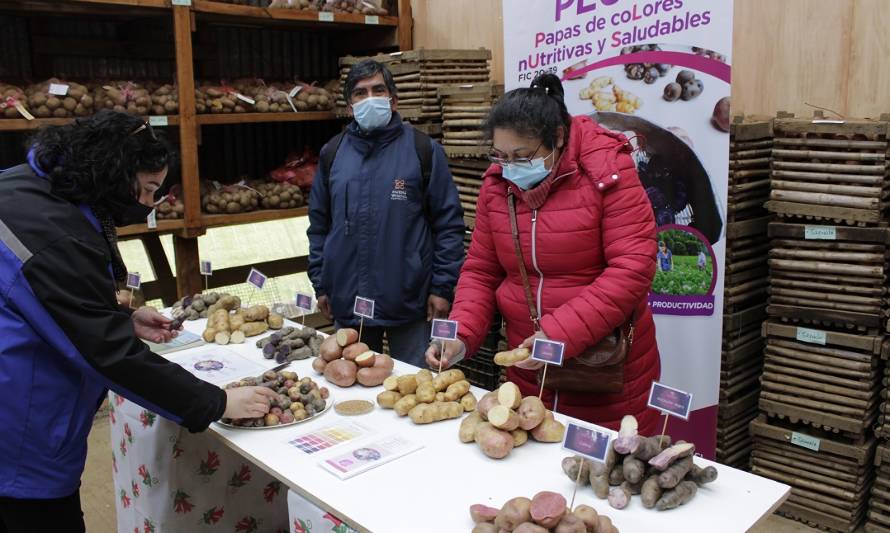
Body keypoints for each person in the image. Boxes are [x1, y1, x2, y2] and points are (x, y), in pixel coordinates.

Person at [0, 111, 275, 533]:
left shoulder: (35, 184)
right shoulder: (54, 236)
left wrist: (122, 316)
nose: (149, 204)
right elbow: (109, 354)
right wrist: (216, 403)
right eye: (148, 190)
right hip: (19, 437)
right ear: (112, 172)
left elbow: (50, 302)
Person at [425, 74, 661, 435]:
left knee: (598, 471)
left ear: (558, 138)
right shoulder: (497, 185)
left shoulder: (608, 173)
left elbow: (632, 268)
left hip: (603, 370)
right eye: (501, 155)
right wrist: (462, 333)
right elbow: (481, 270)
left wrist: (558, 333)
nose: (511, 166)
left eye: (522, 155)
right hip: (529, 368)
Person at [308, 59, 465, 366]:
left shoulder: (423, 150)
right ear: (350, 105)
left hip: (409, 299)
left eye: (378, 90)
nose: (370, 99)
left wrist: (442, 287)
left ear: (393, 100)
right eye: (360, 93)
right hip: (348, 298)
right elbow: (319, 225)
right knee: (351, 387)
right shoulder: (333, 153)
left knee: (413, 388)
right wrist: (321, 283)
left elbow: (448, 224)